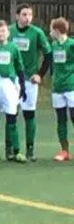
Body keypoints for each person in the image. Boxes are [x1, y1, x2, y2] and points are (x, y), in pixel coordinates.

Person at [8, 5, 51, 160]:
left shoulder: (37, 33)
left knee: (29, 114)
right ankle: (10, 148)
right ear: (17, 16)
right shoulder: (9, 31)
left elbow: (49, 54)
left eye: (30, 15)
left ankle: (30, 149)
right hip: (12, 79)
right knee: (11, 113)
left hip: (29, 80)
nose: (28, 17)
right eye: (24, 14)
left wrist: (40, 74)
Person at [0, 19, 27, 163]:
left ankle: (16, 151)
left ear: (8, 33)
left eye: (3, 31)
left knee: (11, 116)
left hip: (8, 83)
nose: (1, 33)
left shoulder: (13, 48)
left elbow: (19, 66)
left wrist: (22, 84)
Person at [47, 17, 74, 161]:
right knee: (61, 119)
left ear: (57, 30)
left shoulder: (71, 44)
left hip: (71, 86)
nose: (50, 32)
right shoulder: (54, 45)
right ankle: (64, 151)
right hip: (57, 87)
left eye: (51, 29)